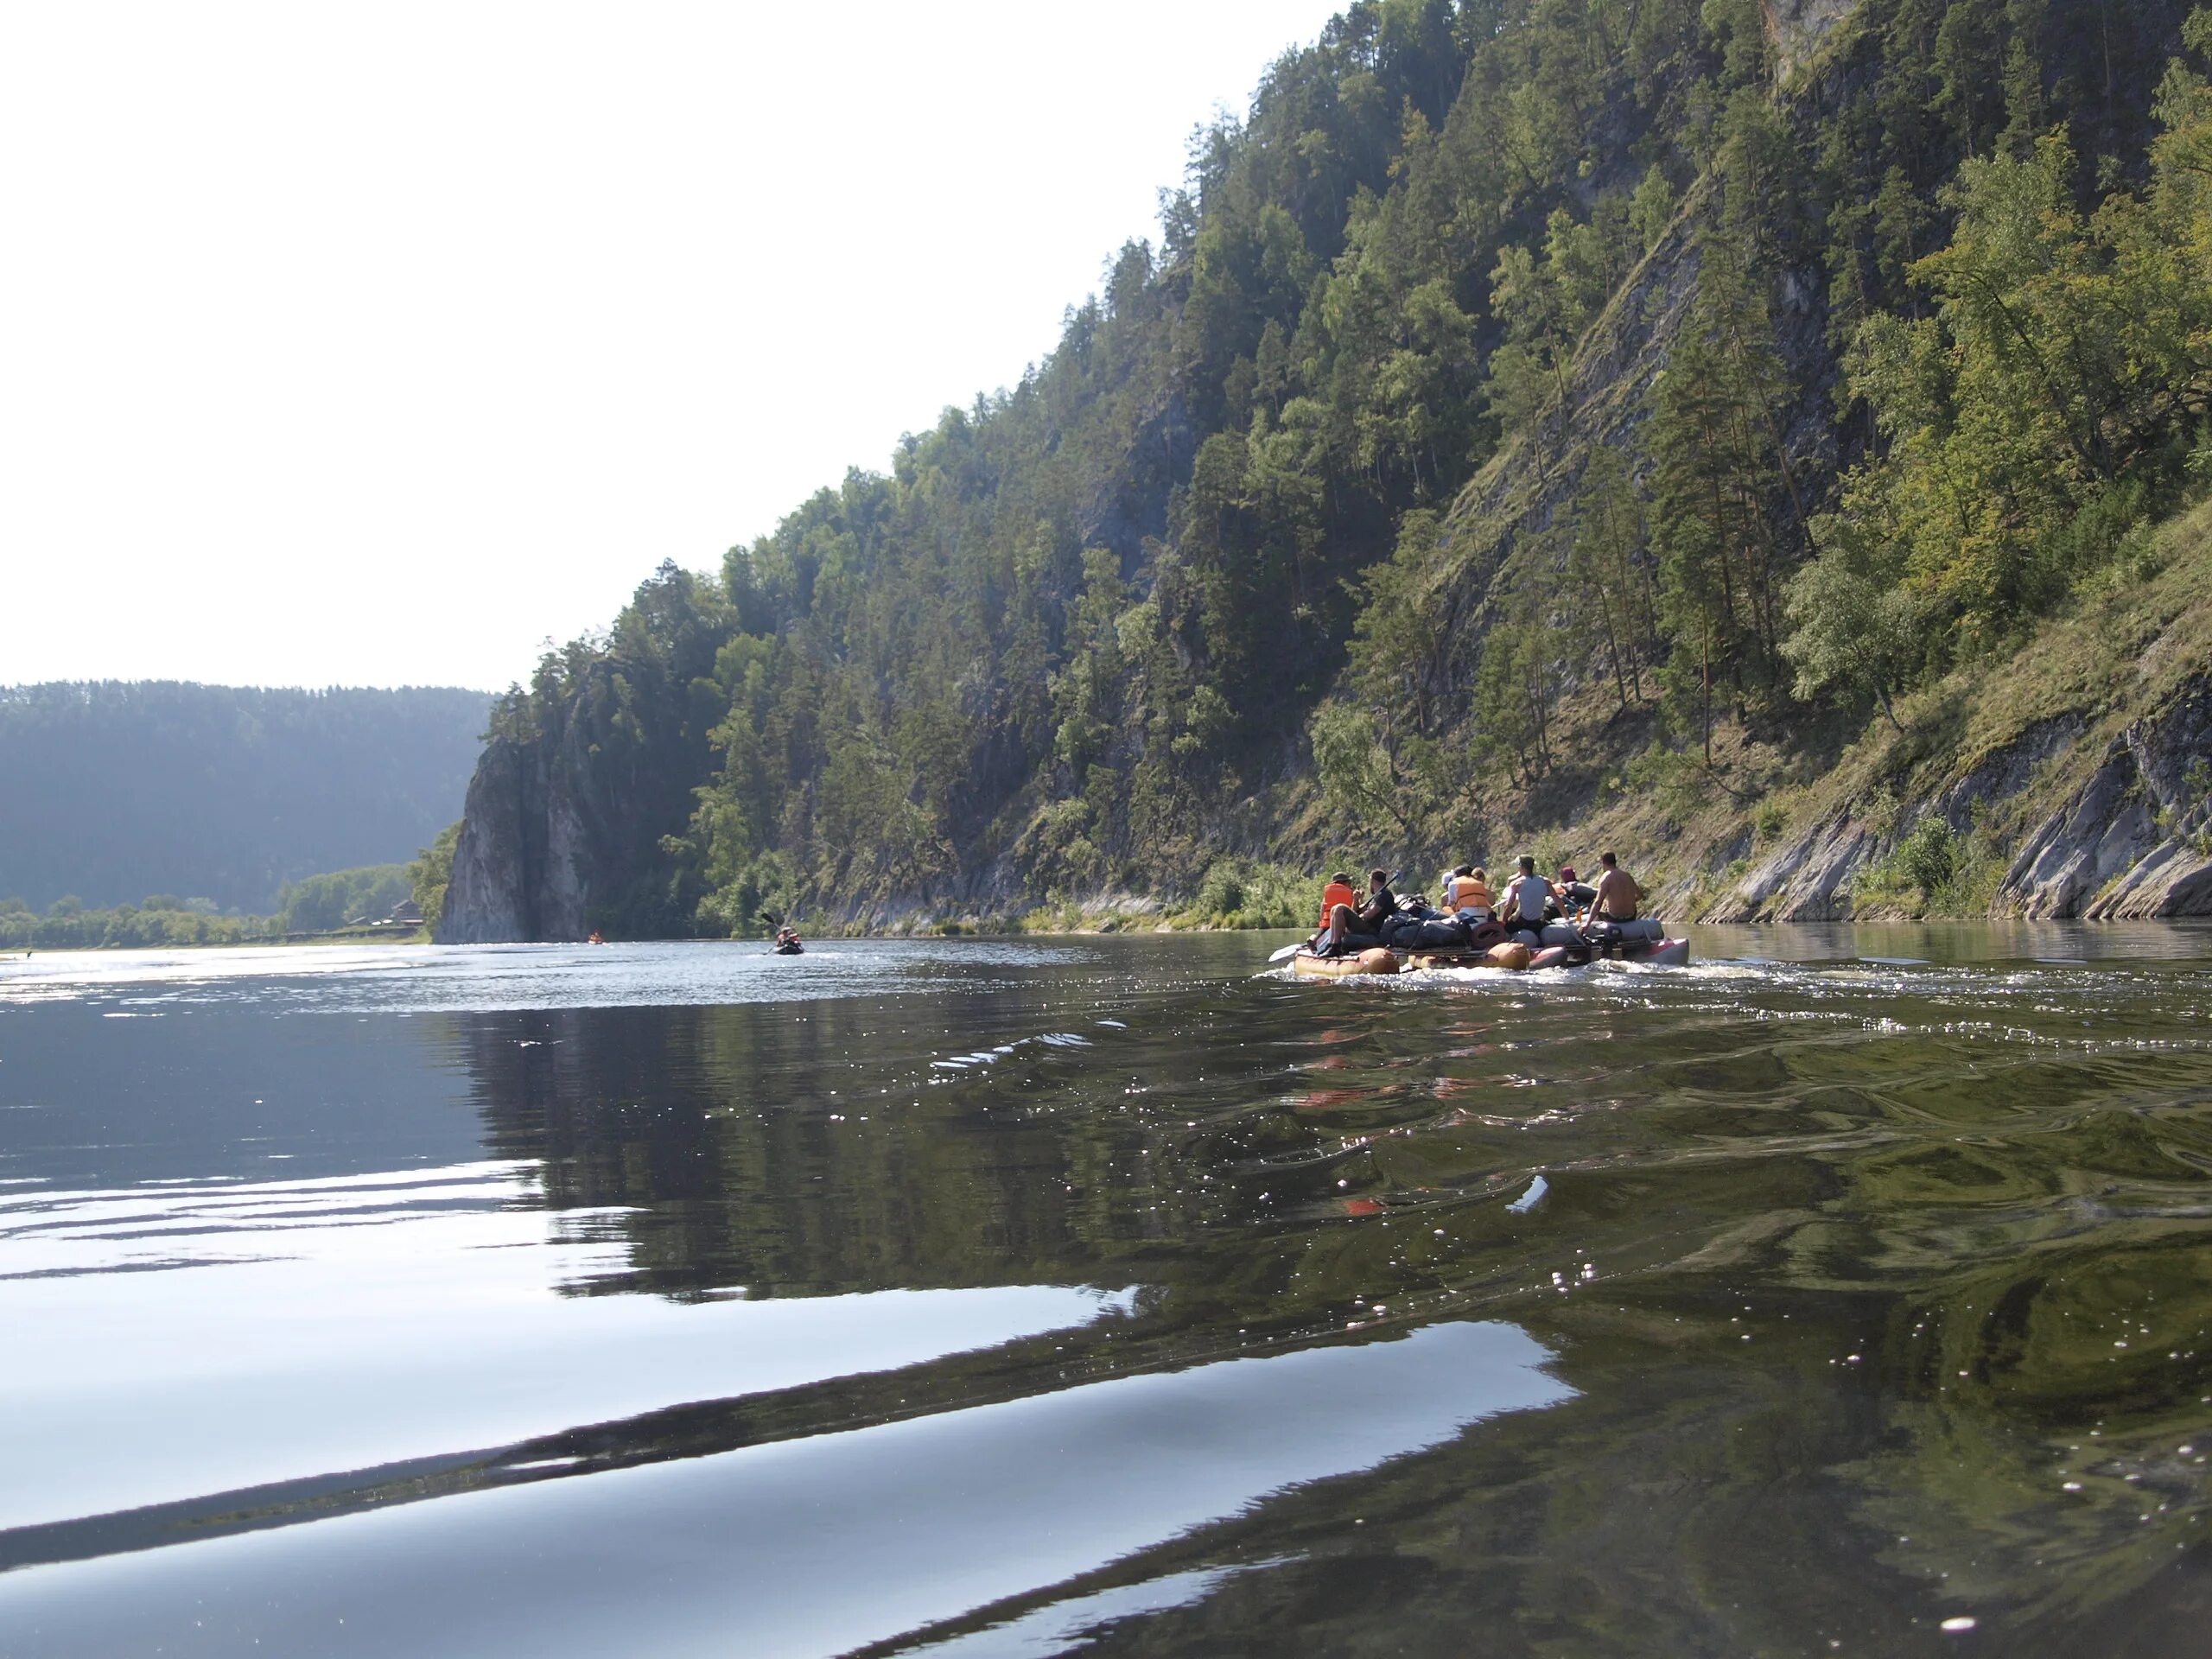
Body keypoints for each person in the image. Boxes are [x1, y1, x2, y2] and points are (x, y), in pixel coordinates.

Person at [1324, 868, 1398, 955]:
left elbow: (1370, 914)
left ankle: (1336, 946)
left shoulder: (1384, 894)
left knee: (1340, 908)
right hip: (1368, 928)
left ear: (1372, 880)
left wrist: (1355, 918)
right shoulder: (1376, 895)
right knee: (1334, 909)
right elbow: (1356, 911)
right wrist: (1356, 900)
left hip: (1374, 931)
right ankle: (1332, 944)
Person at [1499, 855, 1554, 941]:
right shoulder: (1545, 881)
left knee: (1508, 927)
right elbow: (1558, 901)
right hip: (1537, 923)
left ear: (1521, 867)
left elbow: (1508, 906)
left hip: (1523, 923)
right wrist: (1567, 919)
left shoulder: (1517, 883)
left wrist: (1504, 923)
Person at [1591, 851, 1642, 922]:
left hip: (1614, 919)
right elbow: (1639, 895)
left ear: (1604, 863)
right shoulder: (1627, 876)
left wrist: (1587, 924)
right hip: (1631, 917)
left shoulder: (1606, 878)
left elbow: (1598, 902)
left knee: (1602, 905)